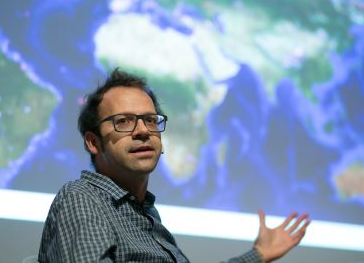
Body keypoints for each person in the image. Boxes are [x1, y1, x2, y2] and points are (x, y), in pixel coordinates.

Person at [38, 69, 310, 262]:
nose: (143, 131)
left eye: (150, 120)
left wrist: (258, 255)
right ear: (93, 142)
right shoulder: (83, 198)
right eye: (124, 121)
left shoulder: (145, 214)